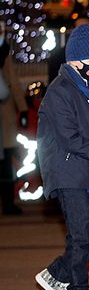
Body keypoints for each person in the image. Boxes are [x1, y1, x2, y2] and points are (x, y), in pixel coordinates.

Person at [35, 24, 89, 290]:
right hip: (67, 171)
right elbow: (68, 136)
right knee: (80, 234)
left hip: (88, 170)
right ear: (74, 60)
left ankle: (57, 273)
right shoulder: (59, 91)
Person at [0, 26, 27, 215]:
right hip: (5, 114)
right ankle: (8, 203)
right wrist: (23, 109)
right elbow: (13, 85)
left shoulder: (4, 56)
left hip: (5, 115)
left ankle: (8, 202)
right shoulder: (4, 55)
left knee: (5, 162)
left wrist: (23, 108)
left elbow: (14, 85)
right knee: (5, 163)